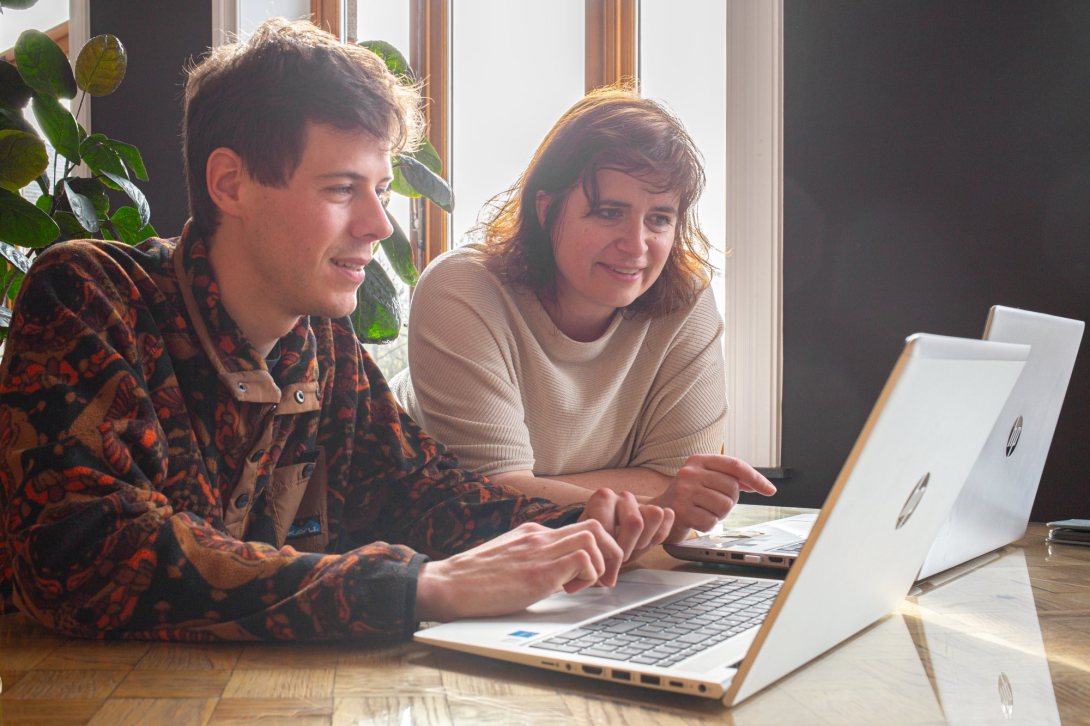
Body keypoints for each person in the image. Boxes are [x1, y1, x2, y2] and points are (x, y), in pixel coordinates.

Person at [0, 20, 677, 641]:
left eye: (379, 189)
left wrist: (589, 529)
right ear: (230, 184)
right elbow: (88, 556)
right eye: (340, 189)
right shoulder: (88, 296)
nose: (379, 225)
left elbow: (423, 493)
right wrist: (418, 587)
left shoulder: (319, 341)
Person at [391, 88, 776, 539]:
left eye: (660, 219)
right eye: (610, 212)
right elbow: (491, 501)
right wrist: (653, 501)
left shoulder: (685, 298)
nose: (636, 246)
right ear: (547, 209)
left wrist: (537, 488)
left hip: (610, 562)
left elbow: (678, 486)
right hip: (445, 558)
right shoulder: (464, 289)